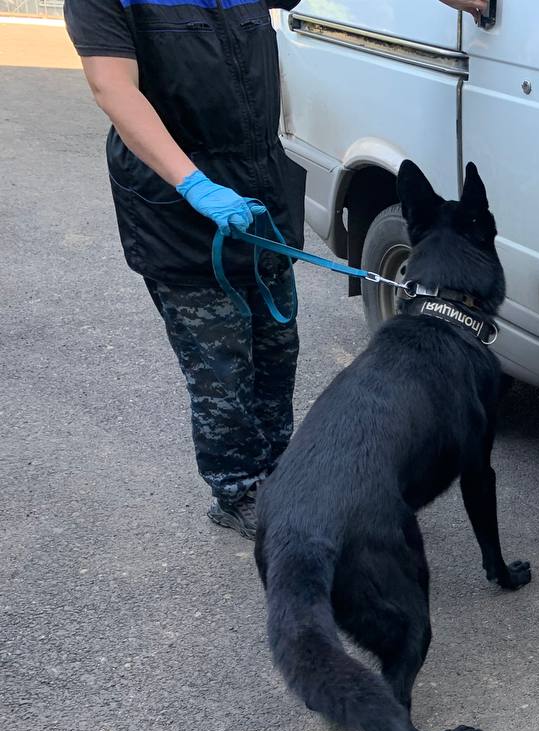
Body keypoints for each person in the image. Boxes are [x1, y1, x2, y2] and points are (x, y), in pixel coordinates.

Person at [64, 0, 489, 539]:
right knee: (221, 365)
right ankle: (239, 489)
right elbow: (113, 88)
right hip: (180, 206)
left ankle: (278, 469)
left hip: (258, 193)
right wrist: (193, 184)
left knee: (276, 349)